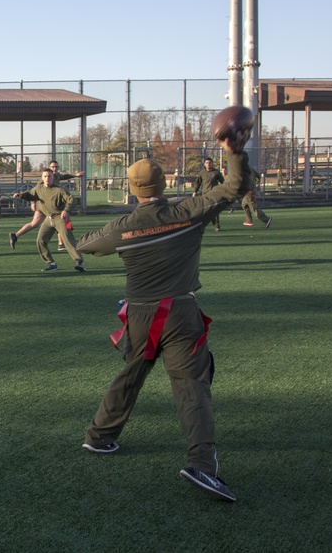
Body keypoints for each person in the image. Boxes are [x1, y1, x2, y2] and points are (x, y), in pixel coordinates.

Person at [76, 124, 252, 503]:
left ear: (131, 189)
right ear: (164, 184)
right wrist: (234, 151)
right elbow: (235, 188)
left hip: (138, 315)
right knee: (191, 386)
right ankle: (201, 465)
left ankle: (99, 436)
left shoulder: (123, 227)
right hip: (179, 312)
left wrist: (110, 238)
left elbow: (88, 245)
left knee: (132, 373)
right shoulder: (187, 212)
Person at [15, 169, 85, 272]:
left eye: (49, 176)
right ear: (42, 178)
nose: (47, 178)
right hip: (49, 218)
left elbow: (72, 199)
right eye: (45, 176)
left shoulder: (59, 190)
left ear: (53, 178)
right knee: (40, 240)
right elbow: (30, 195)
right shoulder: (39, 189)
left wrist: (66, 210)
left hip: (60, 218)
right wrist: (21, 195)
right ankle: (51, 263)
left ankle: (79, 262)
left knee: (67, 239)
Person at [9, 162, 84, 251]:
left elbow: (65, 176)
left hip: (51, 203)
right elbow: (34, 191)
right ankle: (61, 244)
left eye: (56, 167)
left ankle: (16, 235)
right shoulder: (45, 178)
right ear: (49, 168)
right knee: (59, 219)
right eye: (52, 167)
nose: (54, 168)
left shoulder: (57, 175)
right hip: (43, 204)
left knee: (35, 224)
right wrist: (33, 202)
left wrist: (75, 175)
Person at [193, 157, 224, 231]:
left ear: (212, 163)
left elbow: (223, 182)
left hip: (214, 194)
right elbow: (198, 183)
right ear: (204, 164)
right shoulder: (202, 173)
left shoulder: (216, 172)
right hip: (205, 195)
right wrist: (195, 192)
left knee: (214, 210)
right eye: (207, 163)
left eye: (210, 163)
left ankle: (217, 225)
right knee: (205, 210)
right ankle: (201, 225)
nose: (208, 164)